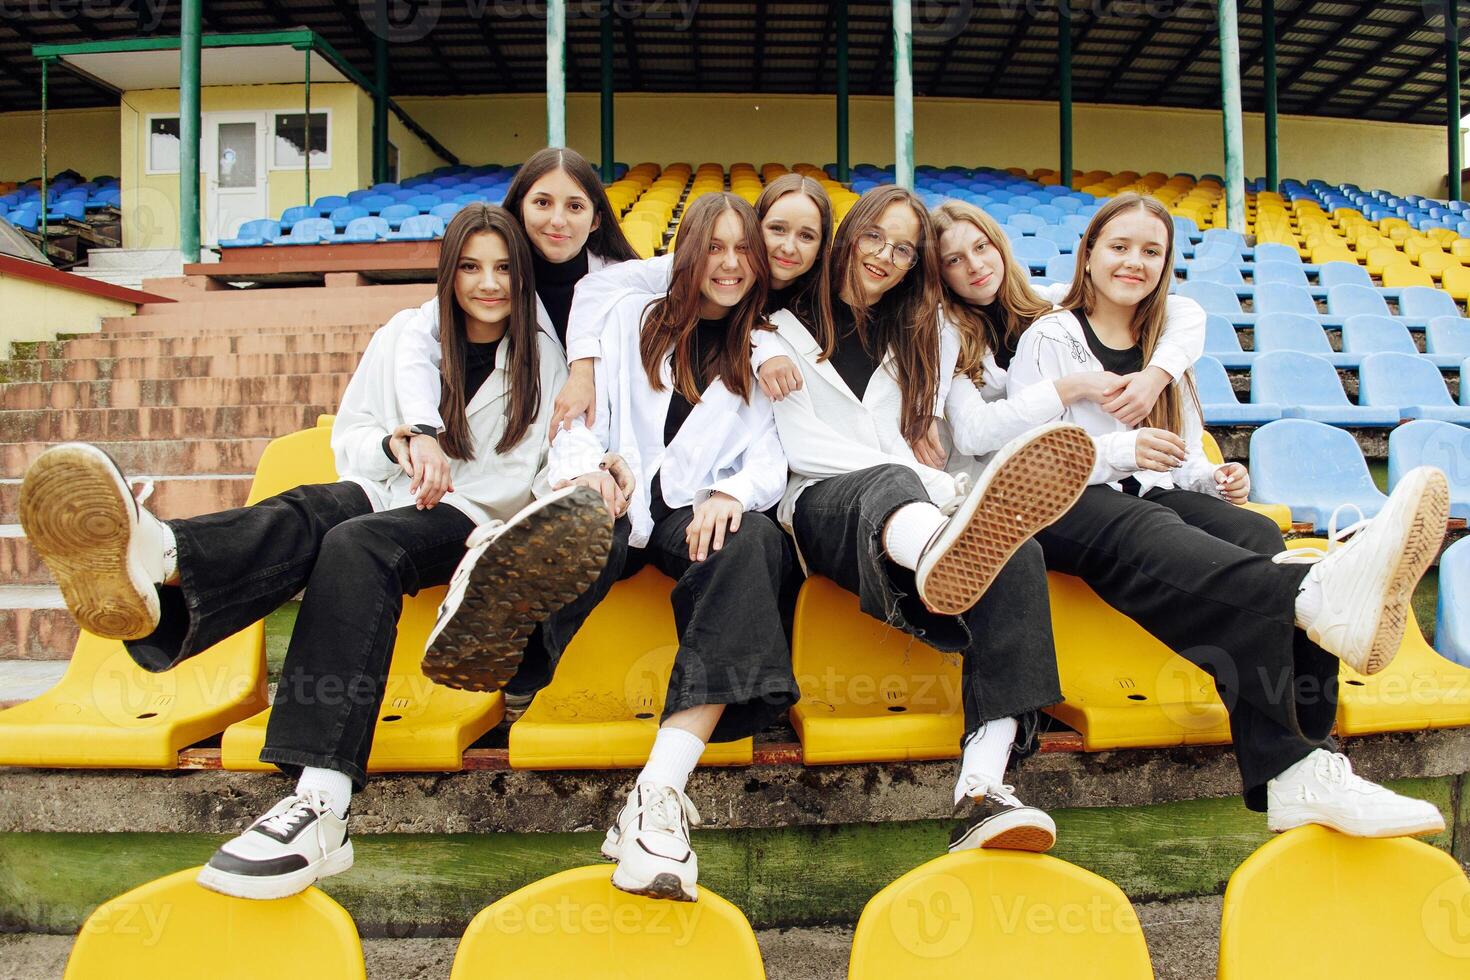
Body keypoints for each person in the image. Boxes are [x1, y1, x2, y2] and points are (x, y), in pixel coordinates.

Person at [19, 204, 614, 899]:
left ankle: (321, 800)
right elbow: (352, 436)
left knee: (357, 543)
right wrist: (398, 441)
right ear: (448, 272)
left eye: (505, 268)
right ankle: (162, 559)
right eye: (471, 267)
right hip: (385, 486)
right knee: (313, 509)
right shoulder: (403, 335)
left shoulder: (547, 358)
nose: (488, 283)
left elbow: (542, 469)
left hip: (470, 516)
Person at [1008, 192, 1449, 837]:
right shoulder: (1051, 335)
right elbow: (1033, 453)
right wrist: (1122, 449)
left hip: (1148, 489)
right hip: (1065, 500)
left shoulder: (1165, 349)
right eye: (1119, 247)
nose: (1134, 262)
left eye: (1151, 251)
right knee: (1157, 532)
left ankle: (1302, 765)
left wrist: (1210, 477)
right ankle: (1309, 739)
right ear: (1089, 254)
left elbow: (1179, 451)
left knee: (1258, 533)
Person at [429, 192, 798, 901]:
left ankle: (657, 794)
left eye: (743, 250)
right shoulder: (627, 321)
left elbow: (773, 455)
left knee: (751, 541)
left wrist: (734, 494)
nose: (728, 264)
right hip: (616, 499)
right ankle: (501, 622)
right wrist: (589, 470)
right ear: (683, 253)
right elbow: (575, 426)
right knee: (581, 528)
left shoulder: (766, 347)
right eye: (712, 247)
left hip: (691, 516)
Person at [759, 184, 1096, 853]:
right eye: (874, 237)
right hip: (822, 506)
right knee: (894, 481)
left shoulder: (925, 333)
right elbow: (802, 447)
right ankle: (942, 546)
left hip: (915, 511)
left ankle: (982, 785)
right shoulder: (775, 323)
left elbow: (937, 423)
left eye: (905, 249)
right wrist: (927, 483)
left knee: (1018, 552)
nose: (886, 256)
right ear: (847, 235)